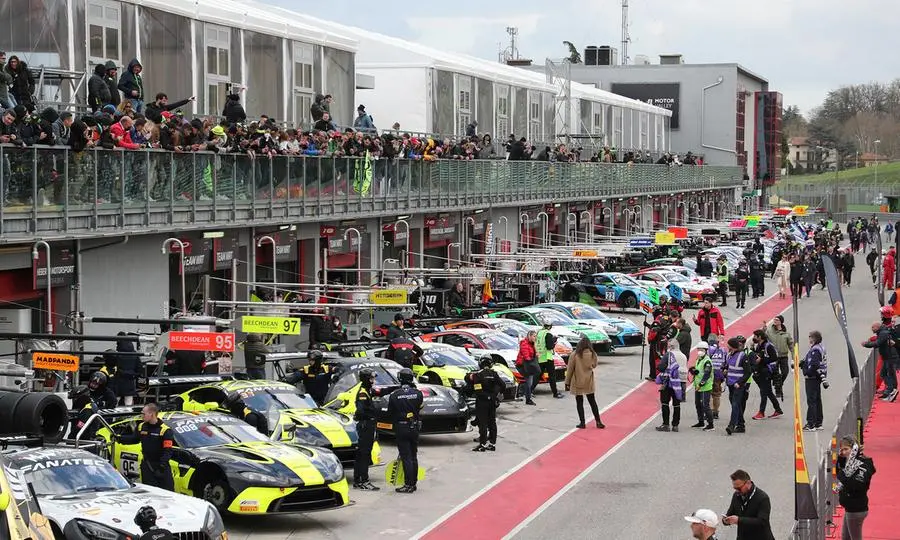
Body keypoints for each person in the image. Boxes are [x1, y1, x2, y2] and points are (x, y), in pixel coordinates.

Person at [118, 403, 174, 491]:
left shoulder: (165, 430)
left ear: (151, 414)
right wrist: (120, 438)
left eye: (143, 413)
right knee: (149, 493)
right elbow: (134, 439)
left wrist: (162, 466)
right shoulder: (141, 426)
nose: (141, 415)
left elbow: (168, 451)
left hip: (161, 467)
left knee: (167, 493)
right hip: (147, 466)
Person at [387, 368, 423, 493]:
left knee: (406, 457)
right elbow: (419, 408)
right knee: (413, 456)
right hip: (414, 427)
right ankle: (414, 482)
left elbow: (390, 412)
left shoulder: (395, 395)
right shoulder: (418, 393)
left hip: (401, 427)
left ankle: (408, 484)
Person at [836, 435, 876, 540]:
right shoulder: (849, 462)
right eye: (842, 450)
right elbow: (839, 471)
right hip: (850, 507)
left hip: (856, 509)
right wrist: (840, 459)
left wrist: (842, 475)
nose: (844, 452)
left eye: (846, 449)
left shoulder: (863, 464)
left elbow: (856, 485)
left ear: (854, 448)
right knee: (845, 537)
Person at [565, 337, 605, 429]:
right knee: (592, 401)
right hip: (589, 380)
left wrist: (567, 382)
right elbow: (594, 365)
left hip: (577, 380)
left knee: (579, 402)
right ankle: (598, 421)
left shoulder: (575, 355)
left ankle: (582, 422)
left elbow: (570, 369)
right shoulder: (592, 354)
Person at [723, 469, 775, 540]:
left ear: (748, 483)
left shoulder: (762, 498)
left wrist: (739, 520)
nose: (737, 491)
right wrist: (726, 520)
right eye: (735, 488)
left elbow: (762, 521)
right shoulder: (736, 495)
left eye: (739, 488)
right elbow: (731, 512)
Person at [467, 356, 506, 451]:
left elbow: (478, 390)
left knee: (483, 422)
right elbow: (503, 385)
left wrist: (486, 396)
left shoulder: (478, 375)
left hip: (482, 401)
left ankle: (483, 444)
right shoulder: (494, 373)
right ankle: (492, 443)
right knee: (492, 422)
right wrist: (495, 395)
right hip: (492, 401)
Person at [353, 368, 379, 490]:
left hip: (366, 425)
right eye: (372, 378)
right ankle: (363, 481)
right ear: (367, 379)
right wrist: (372, 415)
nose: (373, 380)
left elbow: (381, 391)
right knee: (364, 454)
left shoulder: (368, 390)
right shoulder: (363, 393)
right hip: (366, 426)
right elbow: (360, 411)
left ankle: (358, 480)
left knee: (362, 454)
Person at [73, 371, 119, 437]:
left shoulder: (107, 392)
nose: (93, 385)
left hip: (101, 420)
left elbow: (113, 403)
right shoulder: (85, 390)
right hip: (84, 418)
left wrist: (102, 408)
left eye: (96, 384)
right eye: (92, 383)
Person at [750, 330, 783, 420]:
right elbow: (757, 356)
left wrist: (762, 360)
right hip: (760, 372)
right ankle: (778, 409)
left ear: (760, 336)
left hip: (766, 372)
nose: (754, 338)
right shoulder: (759, 346)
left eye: (755, 336)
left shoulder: (768, 346)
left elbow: (774, 358)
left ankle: (761, 412)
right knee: (768, 392)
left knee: (763, 392)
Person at [862, 320, 898, 402]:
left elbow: (877, 343)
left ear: (877, 327)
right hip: (887, 356)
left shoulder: (883, 333)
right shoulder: (882, 333)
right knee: (885, 373)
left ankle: (891, 390)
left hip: (890, 356)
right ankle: (890, 390)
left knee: (889, 373)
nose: (871, 329)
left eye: (873, 327)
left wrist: (866, 344)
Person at [800, 330, 827, 431]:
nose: (809, 338)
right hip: (819, 376)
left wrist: (806, 371)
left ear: (814, 338)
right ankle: (818, 422)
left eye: (810, 337)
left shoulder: (815, 350)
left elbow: (814, 364)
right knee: (817, 399)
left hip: (813, 377)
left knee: (811, 400)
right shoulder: (820, 347)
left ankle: (811, 423)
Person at [655, 340, 684, 432]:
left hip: (668, 381)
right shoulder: (683, 355)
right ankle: (675, 425)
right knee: (677, 404)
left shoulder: (668, 355)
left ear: (671, 346)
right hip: (679, 382)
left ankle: (666, 424)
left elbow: (660, 367)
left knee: (665, 403)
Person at [724, 336, 751, 435]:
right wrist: (724, 370)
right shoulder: (729, 355)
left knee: (735, 404)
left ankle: (731, 425)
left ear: (732, 346)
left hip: (738, 385)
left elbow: (748, 372)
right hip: (730, 384)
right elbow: (727, 366)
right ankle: (741, 425)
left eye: (728, 345)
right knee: (736, 405)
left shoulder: (743, 356)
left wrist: (739, 383)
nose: (727, 346)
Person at [765, 315, 794, 400]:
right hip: (774, 357)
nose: (775, 321)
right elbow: (763, 338)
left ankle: (779, 384)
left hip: (784, 356)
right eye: (774, 319)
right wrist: (763, 330)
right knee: (776, 374)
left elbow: (791, 346)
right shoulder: (769, 332)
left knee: (785, 372)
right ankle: (778, 390)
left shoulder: (786, 334)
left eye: (777, 320)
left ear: (781, 322)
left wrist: (793, 356)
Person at [108, 333, 140, 406]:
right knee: (128, 403)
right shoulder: (135, 354)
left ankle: (114, 417)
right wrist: (132, 374)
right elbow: (139, 369)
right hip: (130, 382)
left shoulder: (117, 354)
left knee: (115, 403)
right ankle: (128, 416)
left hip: (118, 382)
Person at [534, 320, 563, 398]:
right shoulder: (548, 334)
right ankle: (555, 393)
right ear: (550, 326)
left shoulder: (539, 333)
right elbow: (549, 346)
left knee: (538, 375)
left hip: (540, 357)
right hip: (547, 357)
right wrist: (554, 342)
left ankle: (529, 391)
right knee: (552, 376)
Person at [690, 341, 715, 431]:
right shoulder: (699, 359)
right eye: (698, 349)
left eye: (701, 349)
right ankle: (701, 421)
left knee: (705, 405)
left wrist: (700, 385)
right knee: (698, 404)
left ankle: (710, 424)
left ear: (705, 350)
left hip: (705, 387)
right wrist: (693, 370)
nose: (699, 351)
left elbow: (707, 374)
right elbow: (698, 371)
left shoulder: (707, 361)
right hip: (698, 386)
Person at [515, 330, 539, 405]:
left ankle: (522, 393)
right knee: (529, 382)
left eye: (536, 336)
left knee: (529, 381)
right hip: (523, 364)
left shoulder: (532, 344)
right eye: (534, 336)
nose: (535, 338)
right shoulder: (524, 344)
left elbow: (534, 353)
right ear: (529, 336)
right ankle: (527, 399)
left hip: (528, 364)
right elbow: (526, 356)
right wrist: (533, 360)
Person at [708, 334, 727, 420]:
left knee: (708, 394)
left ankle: (710, 411)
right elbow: (727, 362)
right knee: (716, 395)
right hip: (719, 374)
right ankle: (716, 412)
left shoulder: (707, 350)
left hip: (708, 374)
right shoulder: (723, 350)